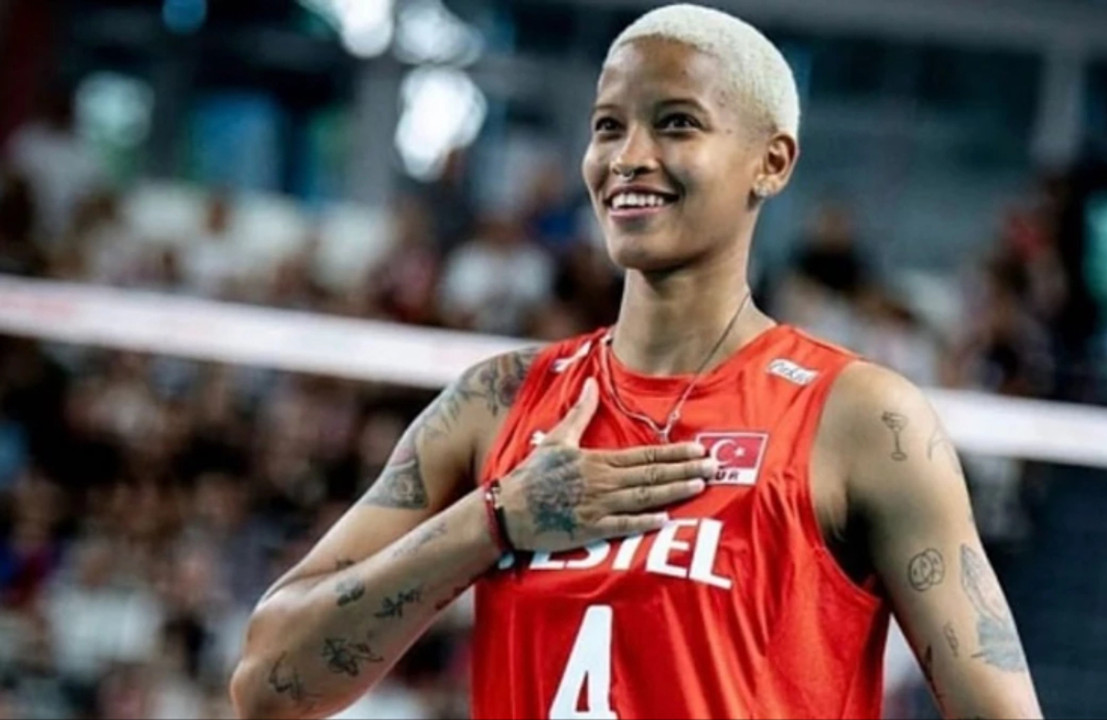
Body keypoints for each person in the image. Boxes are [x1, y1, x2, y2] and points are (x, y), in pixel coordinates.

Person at [229, 5, 1043, 719]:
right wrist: (494, 520)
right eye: (608, 126)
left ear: (771, 162)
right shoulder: (496, 401)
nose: (628, 156)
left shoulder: (860, 419)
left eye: (677, 123)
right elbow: (266, 684)